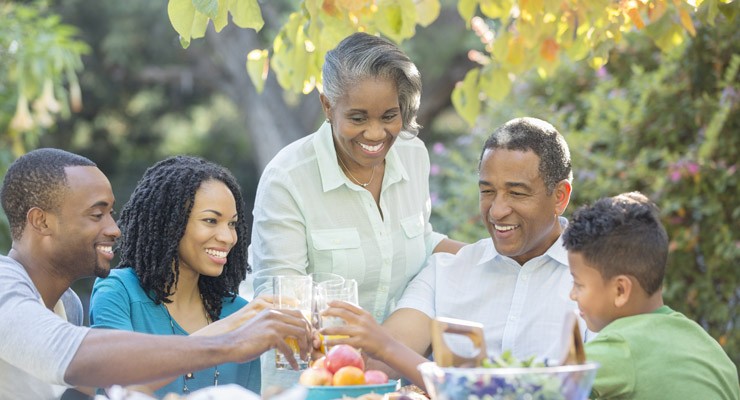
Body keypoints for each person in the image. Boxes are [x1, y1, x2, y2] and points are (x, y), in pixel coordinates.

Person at [0, 149, 311, 400]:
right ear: (40, 222)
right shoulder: (3, 284)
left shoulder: (67, 305)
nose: (114, 228)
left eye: (110, 213)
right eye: (97, 215)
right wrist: (230, 342)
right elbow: (94, 365)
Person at [249, 32, 465, 389]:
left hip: (392, 380)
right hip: (312, 384)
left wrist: (494, 259)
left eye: (389, 116)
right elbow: (280, 305)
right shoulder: (287, 179)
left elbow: (422, 242)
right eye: (358, 117)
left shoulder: (412, 155)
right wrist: (347, 363)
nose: (376, 133)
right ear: (327, 106)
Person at [320, 117, 583, 387]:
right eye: (488, 191)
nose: (497, 210)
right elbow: (376, 361)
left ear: (560, 196)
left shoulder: (596, 278)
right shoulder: (445, 273)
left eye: (517, 193)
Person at [89, 156, 270, 397]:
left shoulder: (239, 312)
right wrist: (226, 331)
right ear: (170, 222)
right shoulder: (118, 292)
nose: (228, 237)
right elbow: (123, 385)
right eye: (211, 220)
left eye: (232, 224)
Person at [562, 192, 739, 399]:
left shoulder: (620, 346)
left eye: (579, 284)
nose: (572, 295)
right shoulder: (706, 344)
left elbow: (548, 389)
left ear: (620, 290)